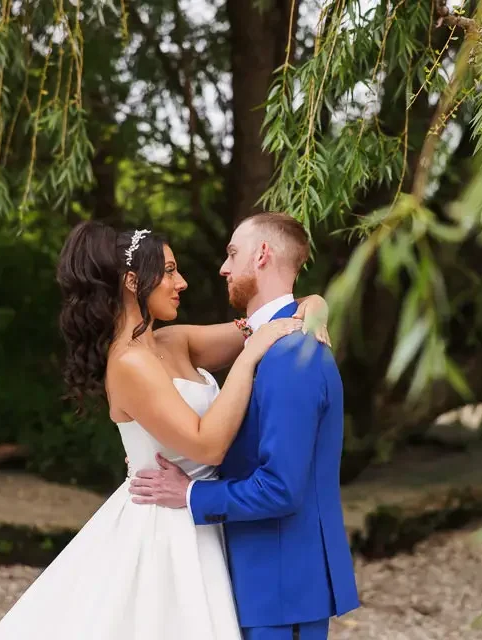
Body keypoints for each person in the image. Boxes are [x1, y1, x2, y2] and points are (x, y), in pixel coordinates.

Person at [0, 220, 331, 640]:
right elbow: (207, 446)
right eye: (169, 271)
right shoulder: (130, 363)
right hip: (167, 530)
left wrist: (314, 302)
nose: (181, 282)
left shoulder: (171, 341)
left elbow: (265, 324)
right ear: (132, 281)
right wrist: (248, 359)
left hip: (206, 516)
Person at [128, 212, 360, 640]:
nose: (223, 267)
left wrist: (190, 493)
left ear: (263, 256)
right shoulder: (266, 339)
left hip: (282, 587)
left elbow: (281, 488)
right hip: (254, 580)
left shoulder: (292, 354)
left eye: (233, 253)